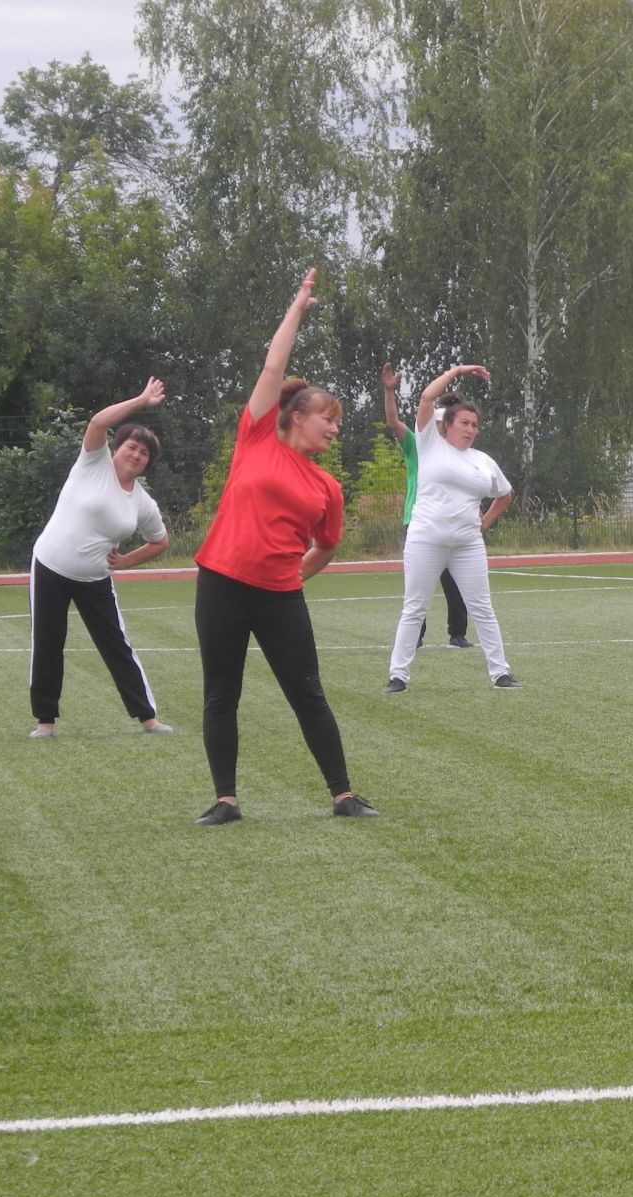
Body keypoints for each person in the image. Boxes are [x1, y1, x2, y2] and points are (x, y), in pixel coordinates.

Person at [192, 269, 377, 823]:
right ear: (295, 417)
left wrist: (295, 576)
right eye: (328, 418)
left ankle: (344, 795)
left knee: (308, 694)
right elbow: (274, 366)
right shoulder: (255, 438)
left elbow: (326, 546)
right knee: (222, 693)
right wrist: (297, 307)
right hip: (221, 585)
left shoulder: (328, 487)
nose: (334, 429)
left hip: (279, 598)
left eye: (337, 423)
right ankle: (226, 800)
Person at [27, 378, 174, 739]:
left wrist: (125, 562)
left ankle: (148, 717)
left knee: (116, 646)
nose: (136, 454)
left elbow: (160, 542)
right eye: (131, 446)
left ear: (146, 464)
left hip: (95, 579)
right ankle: (45, 720)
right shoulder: (93, 463)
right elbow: (97, 423)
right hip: (49, 567)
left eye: (144, 453)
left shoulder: (142, 503)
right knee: (48, 641)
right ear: (117, 448)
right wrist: (141, 399)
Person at [383, 364, 518, 693]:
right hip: (425, 539)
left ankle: (501, 673)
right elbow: (427, 396)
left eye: (475, 425)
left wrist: (483, 524)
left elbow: (505, 494)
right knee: (414, 607)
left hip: (467, 545)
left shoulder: (482, 460)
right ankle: (398, 676)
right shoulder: (429, 442)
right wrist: (457, 370)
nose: (471, 430)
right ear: (446, 425)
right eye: (464, 423)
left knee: (482, 608)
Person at [380, 363, 474, 651]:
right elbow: (393, 421)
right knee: (416, 587)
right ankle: (415, 638)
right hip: (417, 523)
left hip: (449, 523)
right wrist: (389, 391)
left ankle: (457, 635)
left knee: (456, 583)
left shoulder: (453, 451)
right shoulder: (413, 444)